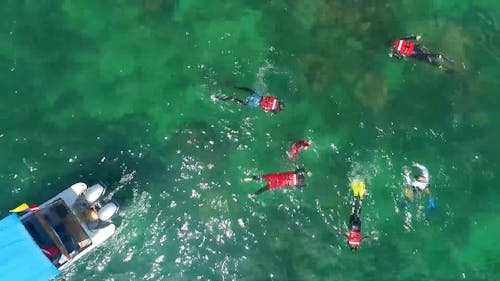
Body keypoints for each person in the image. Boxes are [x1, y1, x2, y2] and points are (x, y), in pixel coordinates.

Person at [389, 35, 454, 71]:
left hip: (414, 54)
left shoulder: (396, 50)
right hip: (417, 48)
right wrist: (415, 37)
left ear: (392, 46)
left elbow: (400, 57)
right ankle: (439, 57)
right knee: (427, 54)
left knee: (428, 60)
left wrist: (393, 55)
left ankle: (440, 66)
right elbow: (407, 38)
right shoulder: (399, 40)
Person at [214, 82, 285, 113]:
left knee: (248, 90)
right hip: (255, 104)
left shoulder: (276, 100)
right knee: (239, 101)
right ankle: (223, 99)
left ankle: (236, 87)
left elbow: (269, 97)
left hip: (258, 97)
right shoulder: (274, 109)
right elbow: (268, 109)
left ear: (280, 102)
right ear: (279, 108)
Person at [244, 168, 311, 199]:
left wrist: (306, 172)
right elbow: (299, 187)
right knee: (264, 189)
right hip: (276, 184)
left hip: (275, 177)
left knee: (262, 177)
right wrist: (305, 185)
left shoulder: (294, 173)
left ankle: (251, 178)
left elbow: (300, 169)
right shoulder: (296, 184)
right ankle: (253, 195)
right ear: (299, 181)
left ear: (298, 176)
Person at [344, 180, 365, 251]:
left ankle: (361, 198)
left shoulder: (358, 243)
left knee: (358, 213)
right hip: (352, 226)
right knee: (353, 212)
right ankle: (356, 195)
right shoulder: (349, 242)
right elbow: (345, 236)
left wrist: (370, 237)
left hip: (358, 227)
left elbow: (364, 239)